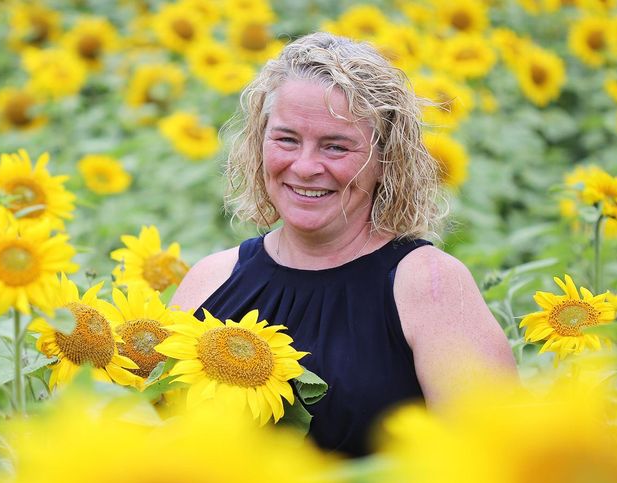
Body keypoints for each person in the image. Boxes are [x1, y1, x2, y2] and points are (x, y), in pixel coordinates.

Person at [171, 32, 517, 457]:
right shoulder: (211, 278)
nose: (305, 166)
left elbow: (490, 464)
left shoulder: (429, 286)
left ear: (386, 160)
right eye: (286, 139)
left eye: (336, 146)